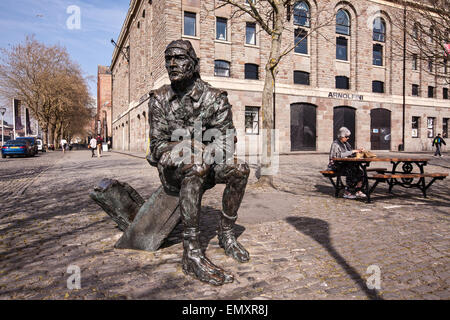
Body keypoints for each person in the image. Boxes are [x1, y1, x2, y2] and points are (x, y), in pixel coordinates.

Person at [147, 39, 250, 286]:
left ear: (193, 64)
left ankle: (226, 234)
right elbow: (157, 147)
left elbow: (226, 141)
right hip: (174, 170)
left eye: (179, 58)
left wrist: (203, 152)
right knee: (194, 167)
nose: (172, 64)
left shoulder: (214, 98)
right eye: (168, 59)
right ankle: (191, 252)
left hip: (208, 162)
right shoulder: (159, 99)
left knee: (240, 170)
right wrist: (184, 149)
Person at [328, 127, 366, 199]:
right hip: (336, 165)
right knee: (351, 171)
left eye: (348, 136)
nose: (348, 138)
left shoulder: (347, 144)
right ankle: (347, 192)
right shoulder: (335, 144)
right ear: (341, 136)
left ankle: (358, 190)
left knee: (360, 172)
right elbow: (338, 155)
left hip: (346, 164)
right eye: (346, 136)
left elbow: (350, 153)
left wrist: (358, 152)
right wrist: (352, 151)